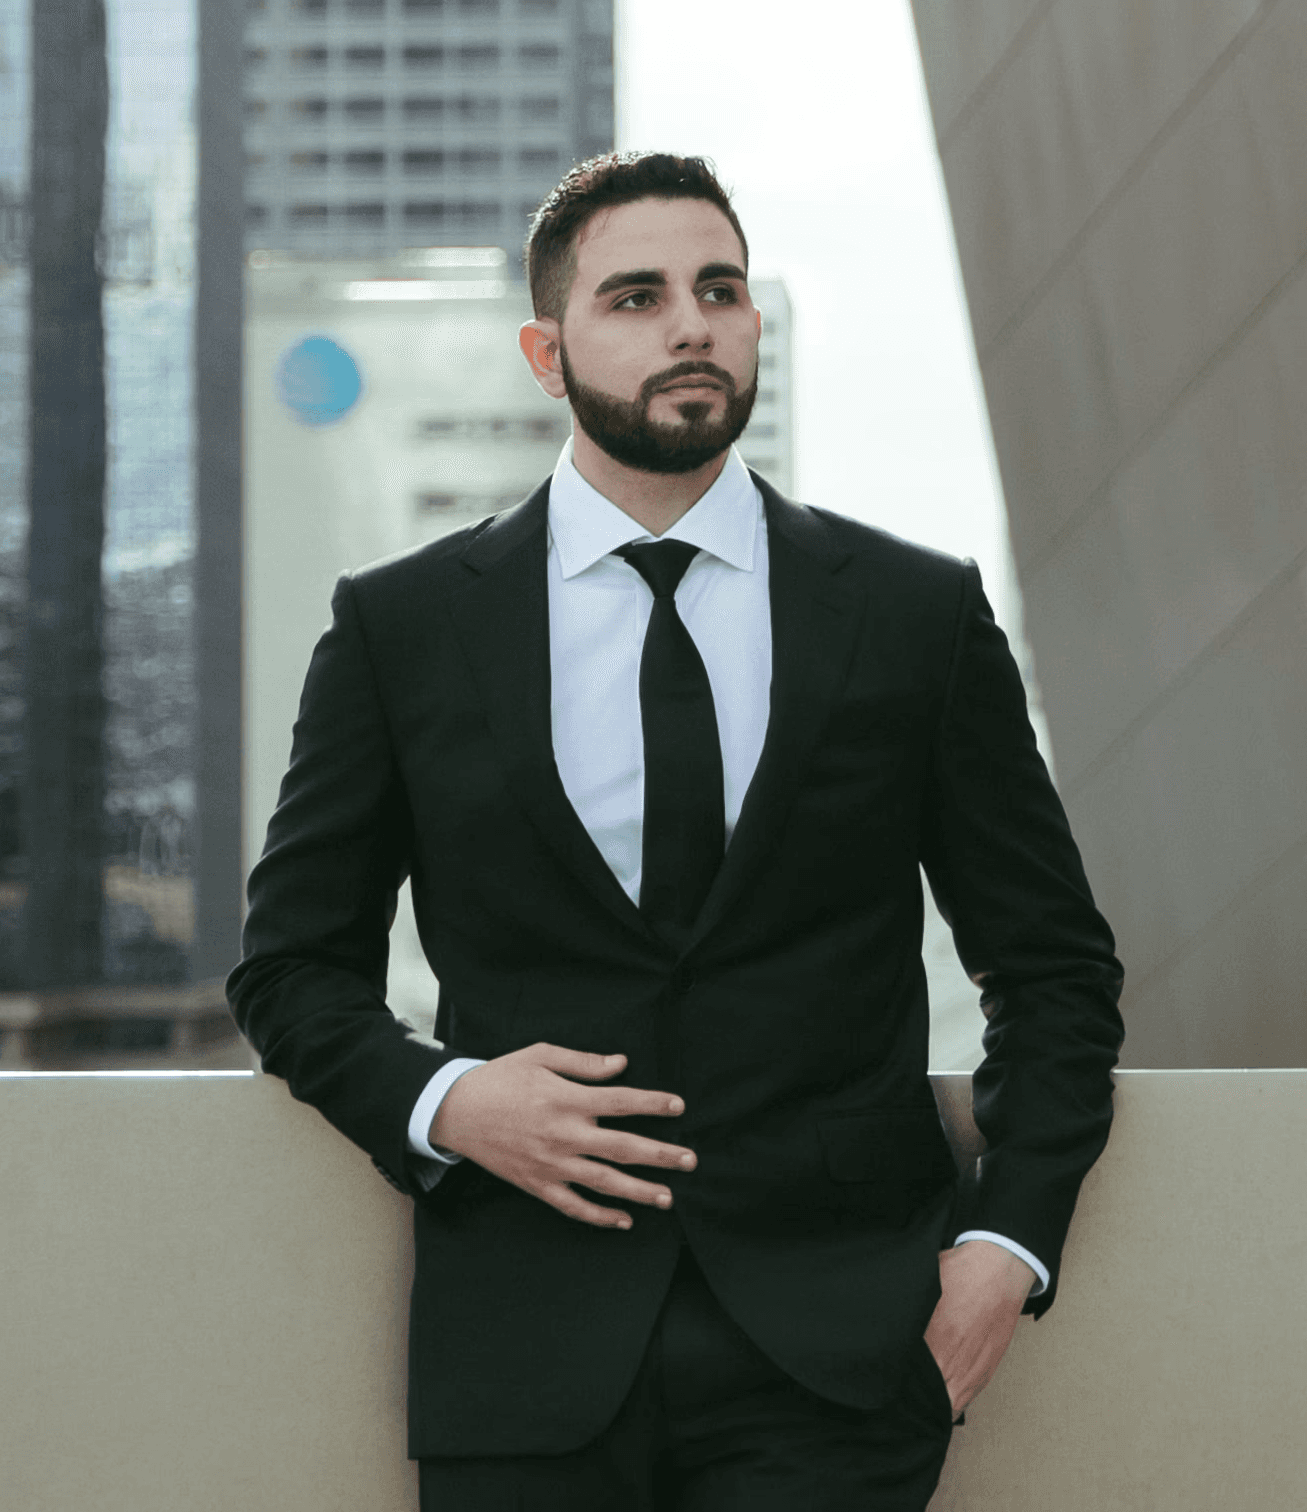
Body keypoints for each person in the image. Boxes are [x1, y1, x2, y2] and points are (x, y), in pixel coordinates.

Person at [228, 151, 1124, 1511]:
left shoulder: (912, 614)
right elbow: (291, 969)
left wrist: (1010, 1242)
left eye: (721, 289)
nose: (691, 322)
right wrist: (450, 1101)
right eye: (636, 297)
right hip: (524, 1351)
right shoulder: (402, 630)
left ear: (755, 324)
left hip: (841, 1363)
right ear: (548, 351)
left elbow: (1053, 968)